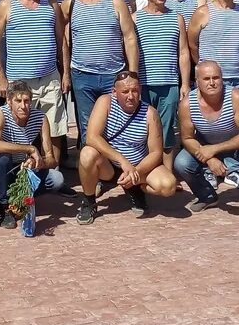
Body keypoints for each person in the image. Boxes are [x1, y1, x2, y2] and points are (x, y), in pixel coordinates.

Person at [0, 0, 68, 157]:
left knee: (55, 127)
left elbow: (61, 41)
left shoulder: (51, 4)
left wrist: (65, 73)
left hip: (49, 77)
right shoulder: (7, 5)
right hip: (20, 81)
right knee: (18, 127)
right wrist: (0, 77)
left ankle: (53, 169)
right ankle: (20, 171)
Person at [175, 61, 239, 227]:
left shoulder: (236, 97)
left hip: (237, 145)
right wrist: (209, 158)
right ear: (197, 81)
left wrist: (214, 149)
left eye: (216, 78)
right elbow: (187, 138)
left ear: (222, 78)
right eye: (206, 79)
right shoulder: (187, 104)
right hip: (206, 145)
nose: (212, 83)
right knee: (182, 162)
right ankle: (207, 196)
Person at [76, 71, 177, 224]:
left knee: (168, 185)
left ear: (140, 90)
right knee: (87, 153)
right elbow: (92, 137)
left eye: (135, 91)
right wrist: (122, 160)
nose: (130, 96)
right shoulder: (105, 102)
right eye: (125, 92)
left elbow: (156, 153)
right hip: (109, 166)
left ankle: (135, 187)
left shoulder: (150, 113)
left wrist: (135, 172)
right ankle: (89, 201)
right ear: (114, 92)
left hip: (138, 166)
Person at [63, 0, 139, 144]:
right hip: (82, 76)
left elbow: (129, 38)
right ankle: (91, 168)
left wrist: (133, 73)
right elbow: (62, 39)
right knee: (88, 127)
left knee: (117, 124)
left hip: (113, 75)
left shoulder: (116, 2)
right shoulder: (68, 5)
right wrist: (66, 72)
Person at [0, 81, 66, 228]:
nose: (23, 106)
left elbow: (51, 159)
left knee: (57, 179)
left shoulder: (40, 118)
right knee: (2, 158)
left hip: (24, 169)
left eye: (26, 101)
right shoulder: (0, 113)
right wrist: (28, 149)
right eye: (18, 101)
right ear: (9, 101)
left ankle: (20, 200)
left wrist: (38, 162)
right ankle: (4, 206)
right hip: (3, 169)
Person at [133, 0, 191, 162]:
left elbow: (183, 52)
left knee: (167, 130)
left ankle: (168, 172)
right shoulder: (135, 19)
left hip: (169, 84)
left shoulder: (177, 18)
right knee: (143, 128)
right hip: (144, 84)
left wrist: (184, 84)